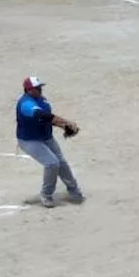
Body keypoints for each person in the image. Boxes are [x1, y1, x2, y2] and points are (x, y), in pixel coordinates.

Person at [15, 76, 84, 208]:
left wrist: (63, 126)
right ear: (29, 90)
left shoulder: (42, 100)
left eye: (40, 87)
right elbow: (43, 116)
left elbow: (49, 120)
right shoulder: (26, 104)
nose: (40, 90)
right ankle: (46, 195)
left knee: (61, 163)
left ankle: (74, 190)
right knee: (52, 163)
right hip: (29, 140)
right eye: (37, 88)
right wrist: (66, 122)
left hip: (46, 137)